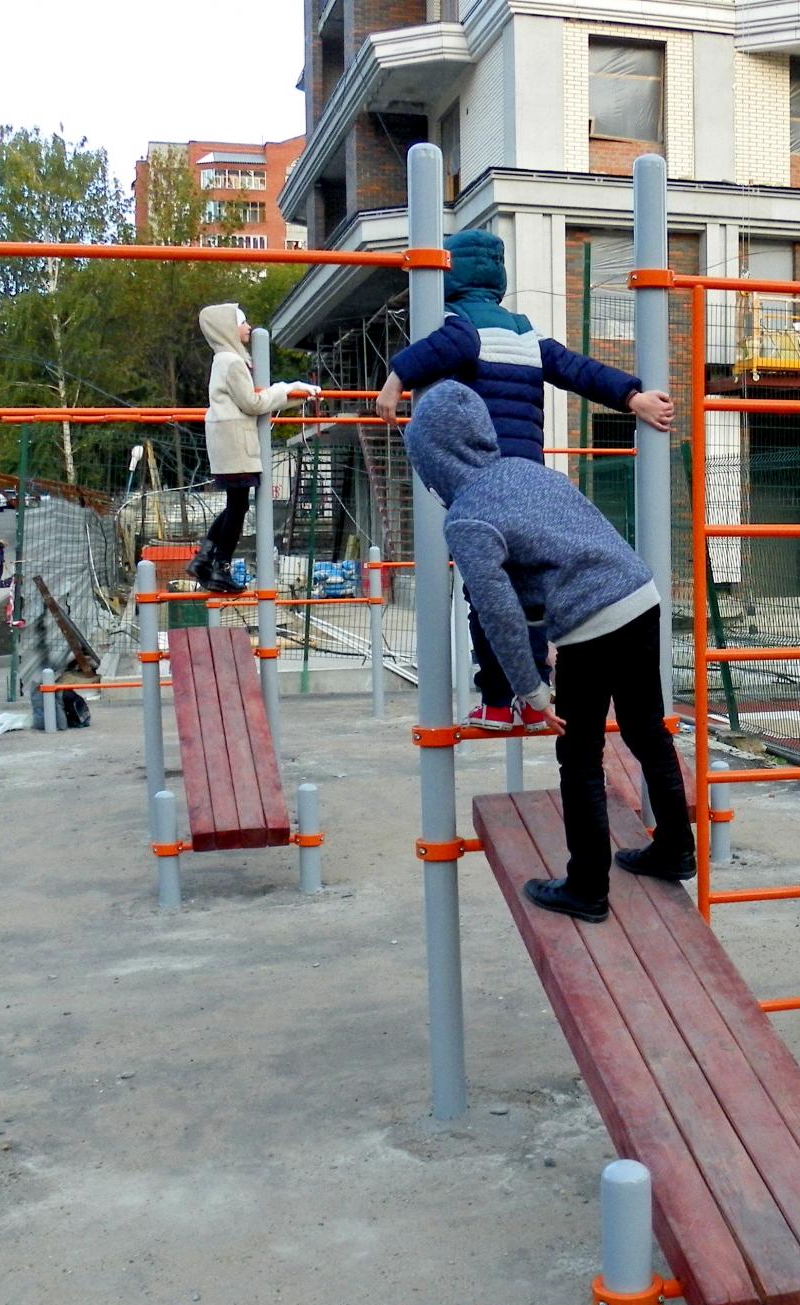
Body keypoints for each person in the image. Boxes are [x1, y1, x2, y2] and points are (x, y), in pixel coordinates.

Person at [404, 380, 693, 923]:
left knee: (579, 757)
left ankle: (587, 888)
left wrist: (531, 689)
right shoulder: (526, 470)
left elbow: (499, 611)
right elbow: (557, 554)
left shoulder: (466, 516)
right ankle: (676, 848)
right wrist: (550, 629)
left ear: (431, 459)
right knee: (645, 729)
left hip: (592, 619)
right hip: (639, 594)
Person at [376, 229, 677, 731]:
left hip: (478, 477)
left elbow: (436, 349)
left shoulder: (461, 325)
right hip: (527, 480)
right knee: (529, 590)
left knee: (486, 594)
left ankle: (498, 701)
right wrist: (633, 398)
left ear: (451, 274)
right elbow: (579, 370)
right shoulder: (526, 335)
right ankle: (535, 691)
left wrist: (394, 381)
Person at [190, 303, 318, 597]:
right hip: (235, 441)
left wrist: (295, 395)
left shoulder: (223, 359)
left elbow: (255, 400)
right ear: (228, 329)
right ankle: (219, 566)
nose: (248, 327)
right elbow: (253, 403)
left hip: (227, 439)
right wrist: (286, 388)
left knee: (236, 505)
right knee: (238, 507)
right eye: (242, 322)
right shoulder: (232, 362)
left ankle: (205, 559)